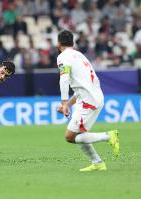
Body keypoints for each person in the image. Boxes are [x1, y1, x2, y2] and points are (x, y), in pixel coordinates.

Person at [56, 30, 120, 172]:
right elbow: (81, 87)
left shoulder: (63, 57)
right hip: (91, 96)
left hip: (88, 100)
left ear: (58, 43)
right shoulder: (80, 56)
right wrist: (68, 104)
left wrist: (64, 102)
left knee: (70, 136)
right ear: (72, 43)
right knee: (78, 134)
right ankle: (97, 163)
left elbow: (64, 78)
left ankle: (109, 136)